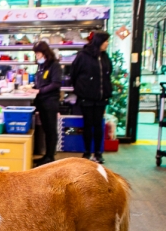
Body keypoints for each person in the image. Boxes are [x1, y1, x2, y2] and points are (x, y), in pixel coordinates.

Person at [70, 31, 113, 164]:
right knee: (88, 125)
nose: (107, 43)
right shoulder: (83, 55)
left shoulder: (105, 57)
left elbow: (108, 74)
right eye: (105, 41)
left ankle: (98, 153)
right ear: (99, 41)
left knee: (98, 125)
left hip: (101, 98)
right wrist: (81, 89)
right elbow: (74, 73)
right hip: (86, 97)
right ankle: (88, 152)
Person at [31, 41, 63, 164]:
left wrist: (39, 90)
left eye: (38, 54)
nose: (37, 56)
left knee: (51, 129)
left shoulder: (54, 66)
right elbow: (40, 82)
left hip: (50, 102)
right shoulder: (42, 66)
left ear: (44, 53)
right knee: (46, 128)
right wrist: (33, 88)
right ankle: (47, 156)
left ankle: (50, 156)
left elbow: (56, 84)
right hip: (42, 102)